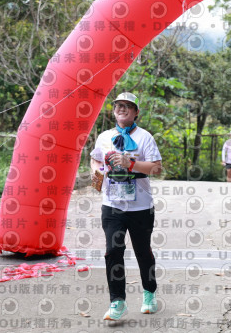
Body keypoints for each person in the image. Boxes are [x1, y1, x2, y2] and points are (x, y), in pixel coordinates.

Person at [90, 92, 163, 321]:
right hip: (112, 205)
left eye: (127, 106)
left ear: (136, 112)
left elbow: (156, 168)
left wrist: (129, 163)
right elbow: (95, 158)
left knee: (142, 251)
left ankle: (149, 293)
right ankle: (117, 302)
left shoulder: (144, 137)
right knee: (113, 251)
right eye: (118, 105)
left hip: (140, 206)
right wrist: (97, 171)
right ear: (114, 110)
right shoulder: (105, 136)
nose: (122, 109)